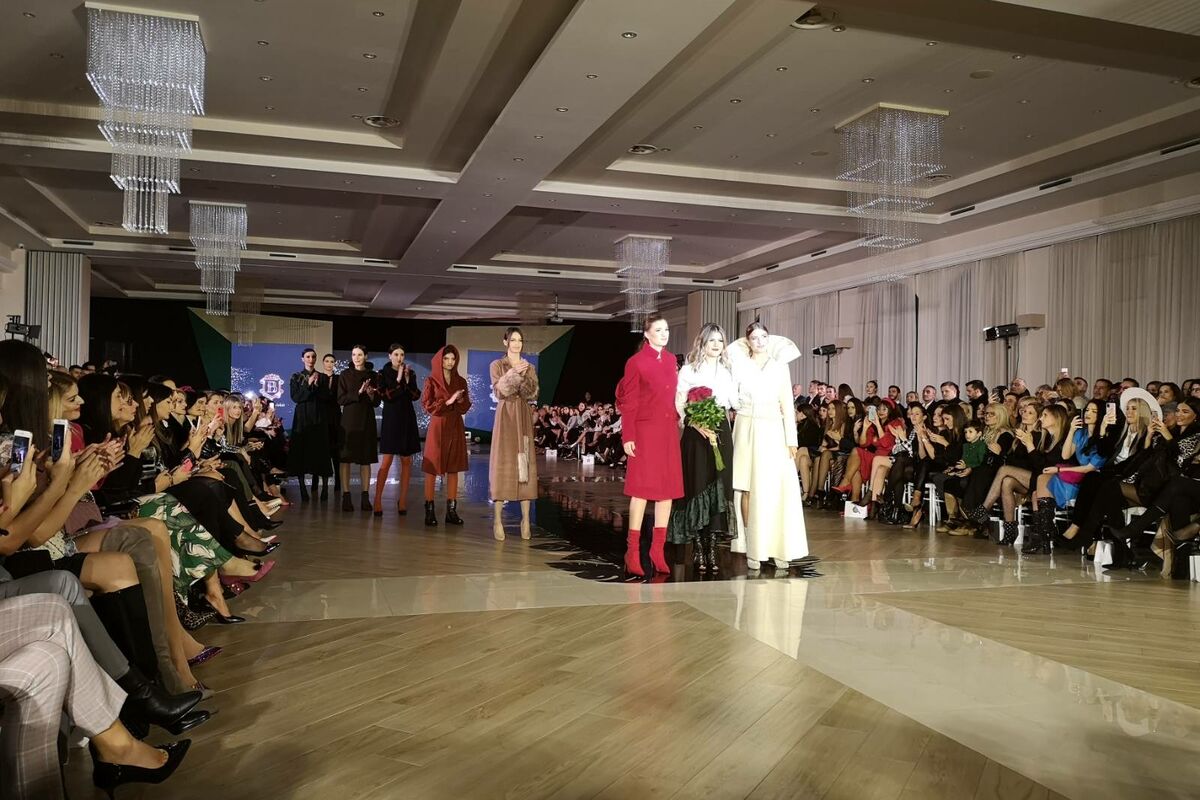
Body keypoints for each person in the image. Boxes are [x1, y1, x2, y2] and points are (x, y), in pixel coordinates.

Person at [728, 322, 809, 572]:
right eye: (754, 338)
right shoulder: (740, 364)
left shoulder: (779, 365)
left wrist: (791, 439)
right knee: (747, 487)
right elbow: (731, 396)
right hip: (746, 426)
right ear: (748, 341)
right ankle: (752, 545)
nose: (760, 341)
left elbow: (787, 403)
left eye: (763, 336)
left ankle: (777, 547)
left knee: (774, 488)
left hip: (774, 428)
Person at [616, 315, 683, 576]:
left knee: (667, 491)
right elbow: (629, 402)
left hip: (667, 432)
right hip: (644, 433)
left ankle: (657, 550)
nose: (664, 333)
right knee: (641, 491)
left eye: (667, 329)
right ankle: (632, 551)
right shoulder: (635, 362)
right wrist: (628, 436)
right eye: (659, 329)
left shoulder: (671, 360)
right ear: (647, 334)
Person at [668, 323, 735, 573]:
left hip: (721, 430)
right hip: (695, 433)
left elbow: (734, 401)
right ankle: (697, 546)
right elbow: (679, 403)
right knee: (696, 485)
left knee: (719, 485)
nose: (716, 345)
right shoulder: (688, 370)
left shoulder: (727, 371)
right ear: (702, 343)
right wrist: (694, 421)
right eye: (711, 341)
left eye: (720, 341)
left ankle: (712, 548)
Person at [488, 328, 540, 540]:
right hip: (505, 416)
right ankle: (497, 520)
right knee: (503, 465)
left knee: (524, 464)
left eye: (520, 340)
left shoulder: (530, 366)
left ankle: (526, 520)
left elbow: (533, 393)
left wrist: (524, 374)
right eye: (513, 340)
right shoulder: (497, 365)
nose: (517, 344)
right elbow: (499, 391)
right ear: (505, 342)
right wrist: (513, 373)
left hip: (523, 415)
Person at [421, 345, 471, 527]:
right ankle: (429, 511)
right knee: (432, 467)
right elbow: (426, 405)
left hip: (455, 425)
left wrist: (460, 400)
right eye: (446, 358)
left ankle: (451, 511)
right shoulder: (431, 380)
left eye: (453, 359)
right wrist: (448, 401)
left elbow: (465, 407)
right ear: (439, 360)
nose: (450, 362)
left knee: (453, 467)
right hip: (438, 426)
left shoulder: (461, 381)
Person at [374, 344, 422, 517]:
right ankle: (377, 499)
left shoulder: (411, 373)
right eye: (396, 354)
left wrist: (407, 380)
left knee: (406, 461)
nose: (399, 357)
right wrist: (399, 378)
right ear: (389, 356)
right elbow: (386, 395)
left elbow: (415, 396)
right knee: (386, 461)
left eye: (402, 354)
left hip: (407, 418)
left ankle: (402, 500)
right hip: (391, 420)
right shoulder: (382, 374)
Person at [336, 345, 380, 513]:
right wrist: (358, 392)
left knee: (365, 459)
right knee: (345, 459)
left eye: (360, 354)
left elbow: (376, 402)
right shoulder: (345, 375)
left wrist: (370, 394)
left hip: (366, 419)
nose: (356, 357)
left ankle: (365, 496)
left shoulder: (373, 376)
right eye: (354, 354)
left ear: (366, 356)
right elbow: (340, 399)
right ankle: (346, 496)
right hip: (348, 420)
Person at [287, 348, 333, 502]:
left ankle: (324, 488)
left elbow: (326, 396)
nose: (310, 359)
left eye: (313, 357)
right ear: (302, 359)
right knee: (301, 451)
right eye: (307, 357)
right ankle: (302, 488)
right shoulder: (296, 377)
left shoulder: (323, 377)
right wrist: (308, 384)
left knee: (321, 450)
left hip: (319, 416)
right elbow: (296, 397)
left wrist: (316, 385)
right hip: (302, 418)